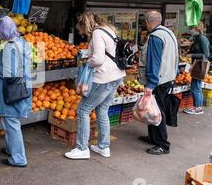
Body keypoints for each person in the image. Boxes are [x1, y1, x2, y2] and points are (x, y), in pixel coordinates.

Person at [65, 11, 125, 160]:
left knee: (83, 110)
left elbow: (98, 59)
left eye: (82, 30)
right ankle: (104, 147)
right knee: (102, 110)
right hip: (116, 76)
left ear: (86, 25)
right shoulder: (109, 30)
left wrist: (87, 62)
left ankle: (82, 148)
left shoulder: (97, 33)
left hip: (103, 78)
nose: (83, 33)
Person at [0, 16, 32, 167]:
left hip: (11, 90)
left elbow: (10, 73)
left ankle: (19, 159)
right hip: (22, 86)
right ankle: (11, 149)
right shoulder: (22, 42)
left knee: (11, 121)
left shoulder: (9, 47)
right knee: (11, 121)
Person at [138, 11, 179, 155]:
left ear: (148, 23)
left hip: (158, 81)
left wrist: (151, 84)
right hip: (167, 77)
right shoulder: (168, 33)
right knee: (152, 109)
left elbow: (154, 62)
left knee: (157, 112)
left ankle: (163, 145)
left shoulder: (155, 37)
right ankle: (153, 137)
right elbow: (176, 56)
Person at [184, 22, 210, 115]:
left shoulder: (202, 39)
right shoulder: (197, 38)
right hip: (196, 64)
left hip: (200, 65)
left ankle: (198, 108)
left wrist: (192, 54)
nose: (190, 30)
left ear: (197, 29)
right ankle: (197, 106)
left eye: (192, 28)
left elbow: (206, 55)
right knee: (195, 86)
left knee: (196, 87)